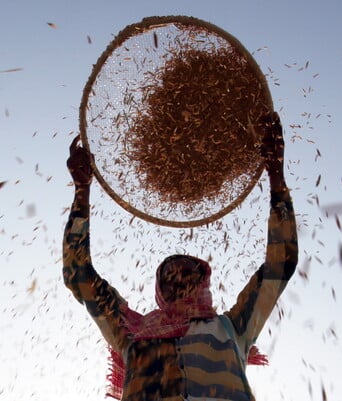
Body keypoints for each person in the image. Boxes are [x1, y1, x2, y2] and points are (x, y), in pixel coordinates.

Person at [63, 112, 298, 401]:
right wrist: (82, 191)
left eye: (187, 272)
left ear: (203, 283)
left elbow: (281, 263)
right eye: (170, 275)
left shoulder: (233, 328)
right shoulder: (130, 333)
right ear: (160, 291)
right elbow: (78, 274)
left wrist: (277, 175)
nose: (179, 278)